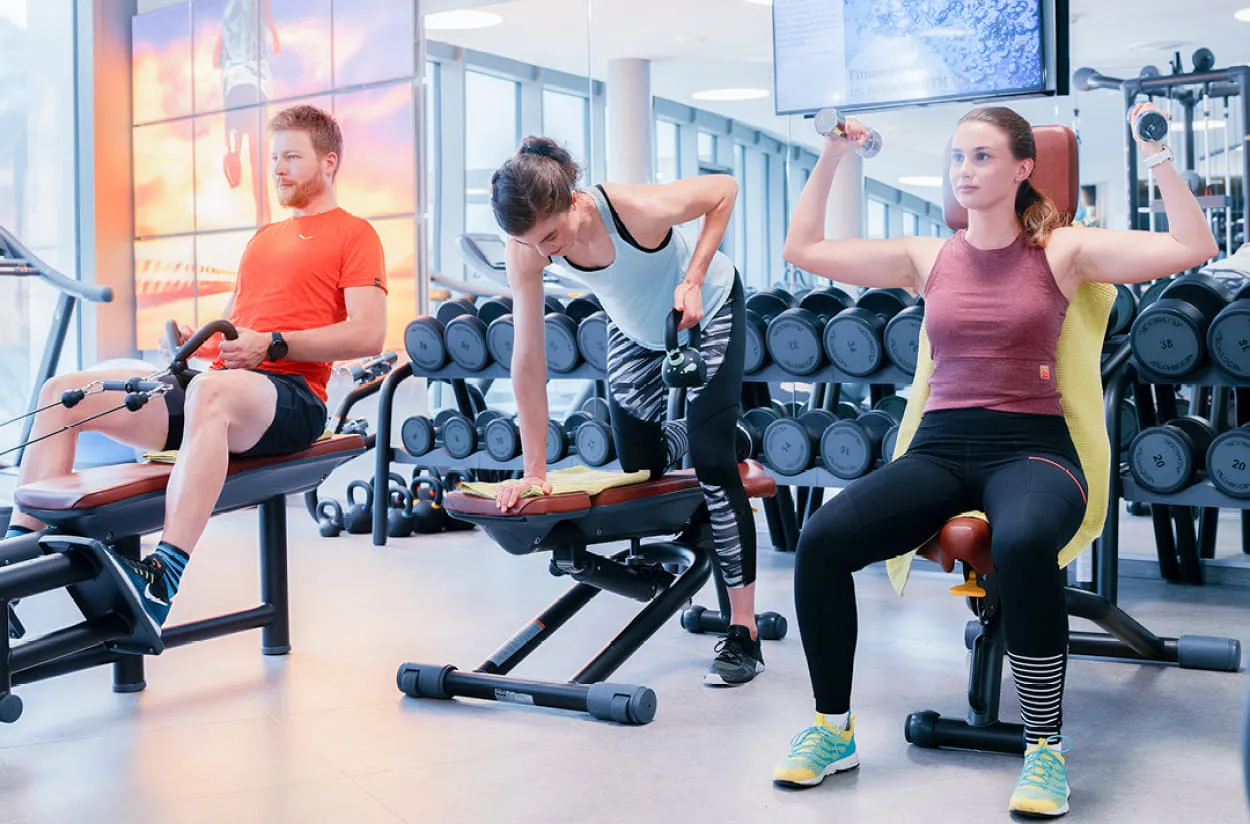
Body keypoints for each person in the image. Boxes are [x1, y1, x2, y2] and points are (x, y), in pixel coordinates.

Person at [770, 104, 1216, 817]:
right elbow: (803, 247)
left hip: (1035, 451)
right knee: (821, 540)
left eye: (981, 157)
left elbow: (1193, 245)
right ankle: (832, 730)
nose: (964, 171)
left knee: (1022, 541)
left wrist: (1155, 151)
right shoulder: (929, 256)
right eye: (957, 158)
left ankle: (1044, 749)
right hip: (942, 448)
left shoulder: (1064, 251)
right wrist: (831, 153)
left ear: (1021, 168)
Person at [4, 104, 388, 637]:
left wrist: (273, 345)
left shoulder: (354, 234)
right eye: (274, 156)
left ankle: (162, 579)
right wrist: (198, 345)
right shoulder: (262, 239)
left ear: (328, 162)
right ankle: (14, 571)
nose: (277, 167)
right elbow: (240, 324)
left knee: (210, 391)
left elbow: (369, 332)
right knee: (65, 392)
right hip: (222, 387)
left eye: (291, 157)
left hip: (292, 396)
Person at [488, 137, 764, 686]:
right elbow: (528, 358)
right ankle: (726, 437)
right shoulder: (525, 247)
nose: (544, 253)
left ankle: (743, 631)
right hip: (635, 328)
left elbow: (724, 191)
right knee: (641, 462)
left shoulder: (629, 210)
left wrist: (692, 278)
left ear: (572, 200)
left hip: (705, 308)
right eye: (528, 242)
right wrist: (534, 471)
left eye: (550, 236)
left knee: (712, 465)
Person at [215, 0, 280, 226]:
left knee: (240, 140)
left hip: (237, 89)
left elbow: (216, 55)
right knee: (258, 164)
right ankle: (264, 222)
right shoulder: (249, 11)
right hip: (253, 88)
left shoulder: (231, 13)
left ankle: (232, 155)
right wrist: (274, 34)